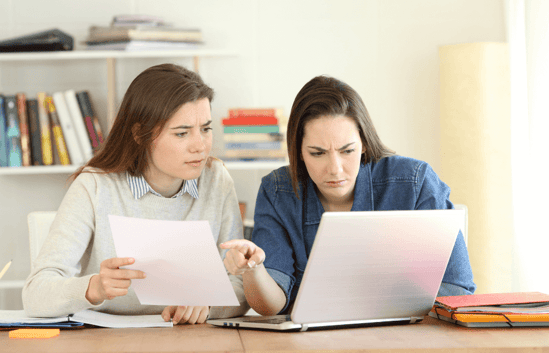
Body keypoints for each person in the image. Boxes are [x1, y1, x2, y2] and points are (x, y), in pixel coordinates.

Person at [221, 75, 476, 316]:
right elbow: (271, 306)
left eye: (347, 150)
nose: (335, 169)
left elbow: (457, 290)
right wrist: (253, 269)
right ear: (298, 151)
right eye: (317, 153)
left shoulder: (414, 183)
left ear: (364, 142)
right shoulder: (278, 191)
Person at [23, 63, 249, 324]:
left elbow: (242, 285)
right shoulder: (95, 186)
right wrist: (93, 287)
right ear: (140, 134)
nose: (200, 145)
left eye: (206, 129)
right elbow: (35, 293)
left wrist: (209, 303)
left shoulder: (217, 179)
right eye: (182, 133)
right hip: (105, 339)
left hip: (190, 336)